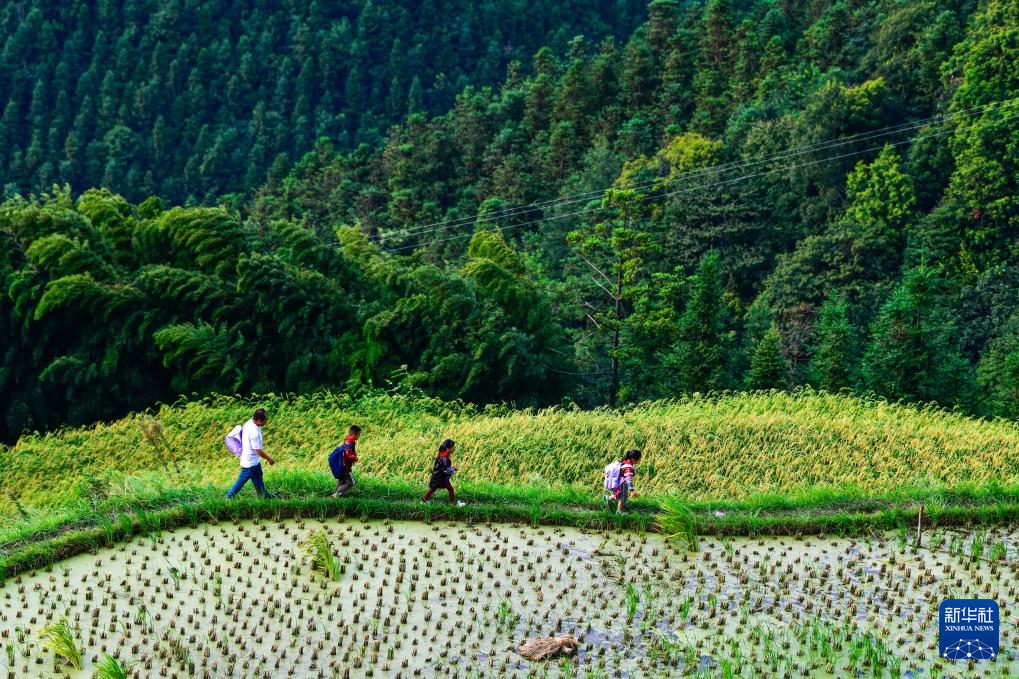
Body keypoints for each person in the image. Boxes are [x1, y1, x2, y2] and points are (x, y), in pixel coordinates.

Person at [226, 408, 275, 499]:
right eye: (266, 420)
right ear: (259, 420)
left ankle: (264, 495)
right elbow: (258, 450)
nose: (267, 421)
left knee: (258, 476)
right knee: (241, 481)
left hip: (254, 460)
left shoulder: (250, 422)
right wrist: (269, 459)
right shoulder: (254, 432)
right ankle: (228, 497)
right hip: (250, 463)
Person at [422, 439, 465, 506]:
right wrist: (453, 469)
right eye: (453, 447)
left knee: (433, 488)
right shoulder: (446, 458)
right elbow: (447, 470)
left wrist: (451, 468)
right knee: (450, 489)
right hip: (441, 478)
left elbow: (442, 467)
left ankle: (423, 501)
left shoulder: (441, 455)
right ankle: (454, 503)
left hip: (437, 475)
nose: (454, 449)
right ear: (448, 449)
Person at [328, 425, 361, 497]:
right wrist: (356, 458)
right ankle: (336, 495)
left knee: (341, 479)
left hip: (342, 465)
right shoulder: (349, 443)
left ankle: (335, 495)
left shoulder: (348, 441)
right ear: (354, 435)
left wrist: (354, 453)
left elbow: (348, 452)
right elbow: (349, 455)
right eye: (359, 434)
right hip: (346, 467)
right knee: (352, 482)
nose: (359, 436)